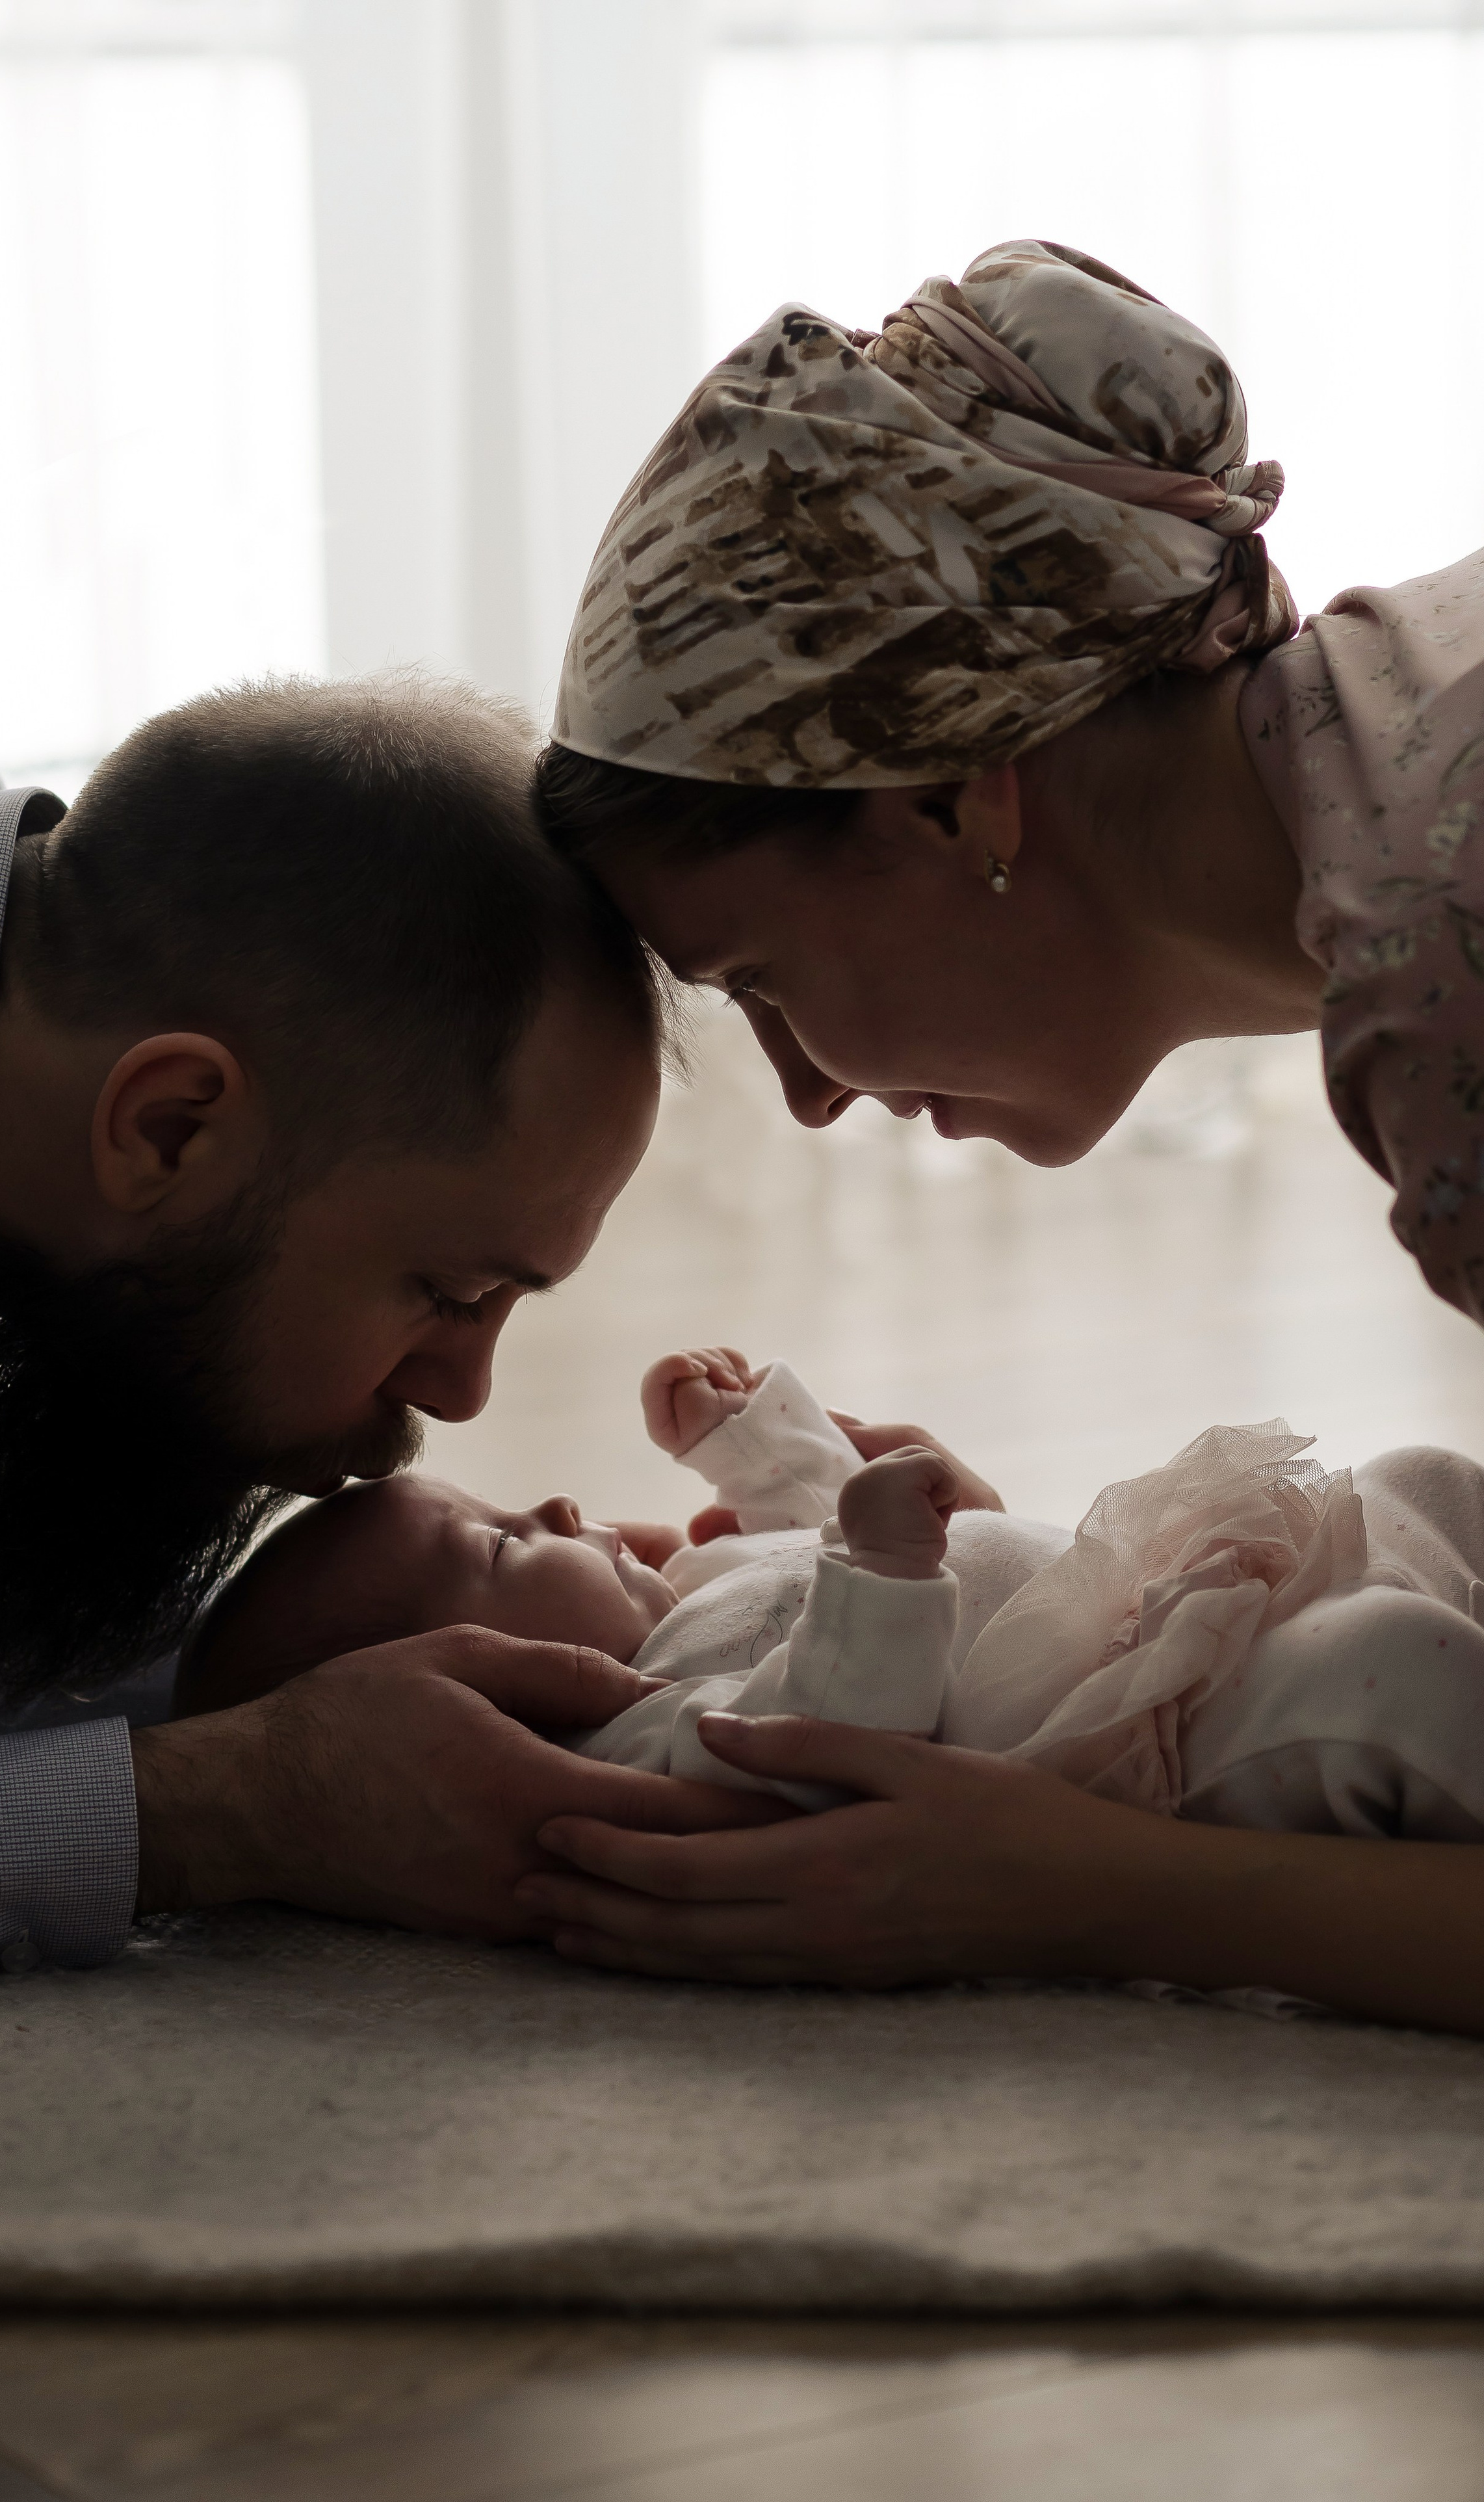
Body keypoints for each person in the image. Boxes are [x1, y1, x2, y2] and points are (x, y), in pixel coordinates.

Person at [523, 240, 1484, 2031]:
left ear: (959, 792)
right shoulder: (1417, 753)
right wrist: (1063, 1625)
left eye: (761, 978)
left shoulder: (1452, 980)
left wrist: (1082, 1885)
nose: (807, 1094)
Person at [0, 661, 766, 1988]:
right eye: (444, 1294)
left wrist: (314, 1650)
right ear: (169, 1125)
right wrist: (237, 1803)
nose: (461, 1398)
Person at [183, 1345, 1484, 1872]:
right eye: (509, 1546)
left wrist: (749, 1435)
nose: (567, 1510)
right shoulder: (632, 1732)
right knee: (1390, 1670)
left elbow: (814, 1513)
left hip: (1177, 1597)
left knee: (1414, 1481)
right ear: (493, 1675)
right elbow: (821, 1740)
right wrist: (875, 1562)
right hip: (1158, 1729)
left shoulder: (687, 1592)